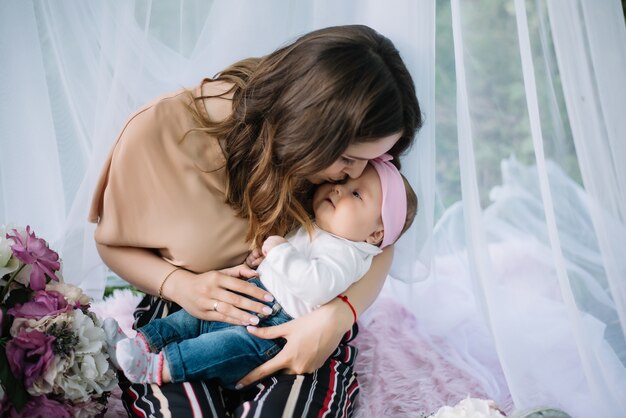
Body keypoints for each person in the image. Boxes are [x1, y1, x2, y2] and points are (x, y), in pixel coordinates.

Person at [89, 24, 422, 417]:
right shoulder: (160, 133)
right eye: (348, 158)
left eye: (370, 161)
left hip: (300, 315)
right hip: (189, 306)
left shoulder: (351, 173)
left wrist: (337, 316)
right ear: (308, 128)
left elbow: (380, 238)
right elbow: (110, 241)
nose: (354, 175)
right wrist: (181, 286)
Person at [104, 158, 418, 389]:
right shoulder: (320, 228)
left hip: (275, 328)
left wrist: (279, 251)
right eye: (343, 182)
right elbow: (284, 261)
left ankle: (155, 368)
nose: (339, 190)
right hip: (255, 294)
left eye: (357, 195)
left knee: (221, 348)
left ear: (376, 234)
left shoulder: (351, 255)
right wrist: (263, 258)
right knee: (190, 318)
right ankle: (140, 341)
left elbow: (316, 286)